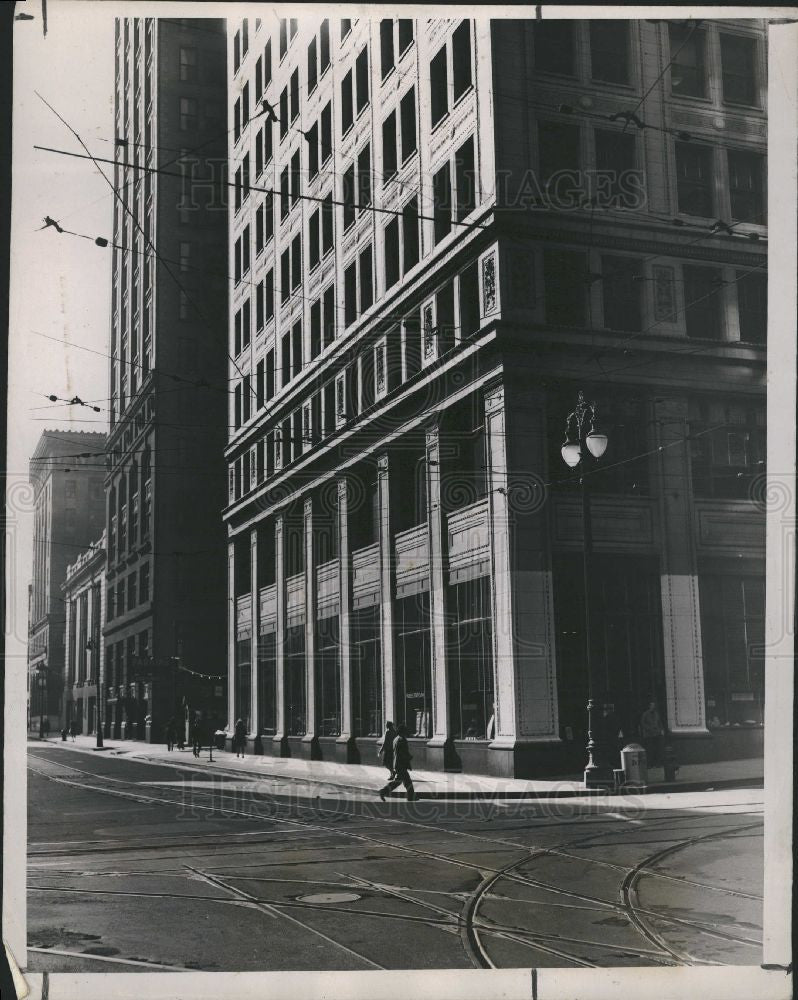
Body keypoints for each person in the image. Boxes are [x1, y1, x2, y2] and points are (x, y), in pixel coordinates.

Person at [378, 724, 415, 801]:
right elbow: (402, 753)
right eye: (405, 731)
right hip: (401, 764)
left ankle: (411, 796)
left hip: (397, 764)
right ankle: (383, 791)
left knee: (404, 781)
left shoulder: (396, 739)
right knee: (402, 782)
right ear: (403, 732)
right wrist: (409, 757)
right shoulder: (402, 740)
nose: (406, 732)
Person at [639, 701, 664, 768]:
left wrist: (661, 730)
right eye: (652, 706)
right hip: (648, 735)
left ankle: (657, 764)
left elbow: (660, 722)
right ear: (649, 706)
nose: (653, 707)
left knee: (657, 749)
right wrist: (649, 729)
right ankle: (650, 764)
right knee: (650, 750)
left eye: (654, 706)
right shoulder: (645, 714)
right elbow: (643, 724)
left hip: (657, 734)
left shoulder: (656, 714)